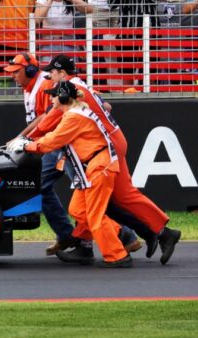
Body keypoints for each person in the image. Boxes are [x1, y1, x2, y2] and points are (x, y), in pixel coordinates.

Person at [34, 54, 181, 263]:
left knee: (110, 197)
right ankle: (156, 234)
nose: (49, 76)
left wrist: (24, 139)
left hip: (103, 146)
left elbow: (47, 123)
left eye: (52, 72)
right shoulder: (80, 87)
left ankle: (151, 234)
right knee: (104, 197)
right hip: (109, 140)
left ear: (63, 73)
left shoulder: (69, 91)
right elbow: (107, 106)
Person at [24, 80, 130, 268]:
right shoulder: (73, 114)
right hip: (92, 168)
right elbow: (53, 136)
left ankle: (117, 256)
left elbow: (52, 141)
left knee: (95, 216)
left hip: (100, 167)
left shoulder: (74, 117)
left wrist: (27, 145)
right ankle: (118, 232)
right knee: (77, 210)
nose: (51, 99)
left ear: (64, 97)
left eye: (54, 95)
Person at [1, 52, 82, 255]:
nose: (13, 76)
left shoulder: (45, 85)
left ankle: (124, 236)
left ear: (29, 70)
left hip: (62, 142)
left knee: (87, 192)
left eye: (16, 72)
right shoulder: (28, 87)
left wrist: (22, 138)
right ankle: (66, 235)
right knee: (41, 187)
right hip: (52, 143)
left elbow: (46, 118)